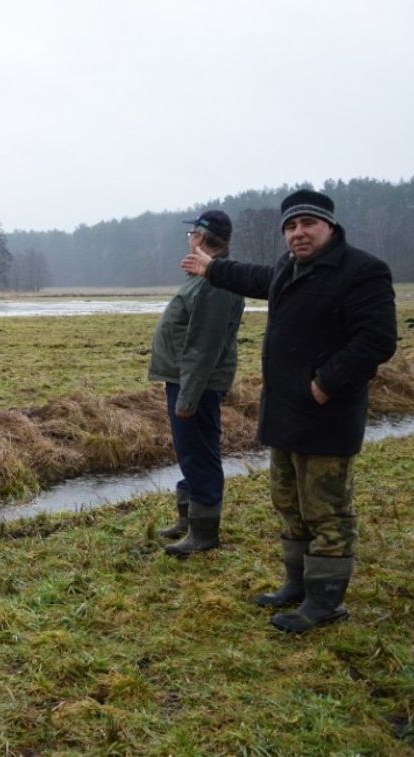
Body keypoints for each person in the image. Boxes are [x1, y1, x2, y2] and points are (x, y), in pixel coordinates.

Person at [181, 189, 397, 632]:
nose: (298, 233)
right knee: (288, 502)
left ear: (329, 227)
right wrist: (211, 267)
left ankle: (325, 601)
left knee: (326, 510)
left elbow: (377, 340)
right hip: (284, 412)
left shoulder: (362, 271)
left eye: (307, 225)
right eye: (291, 227)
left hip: (327, 414)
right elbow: (254, 277)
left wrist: (325, 384)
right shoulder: (288, 268)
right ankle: (296, 585)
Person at [148, 210, 245, 556]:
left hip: (197, 383)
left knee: (200, 452)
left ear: (201, 238)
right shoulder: (205, 277)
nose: (189, 240)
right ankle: (188, 519)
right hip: (186, 379)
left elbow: (204, 346)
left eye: (191, 235)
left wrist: (188, 397)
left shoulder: (214, 283)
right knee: (190, 451)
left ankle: (203, 533)